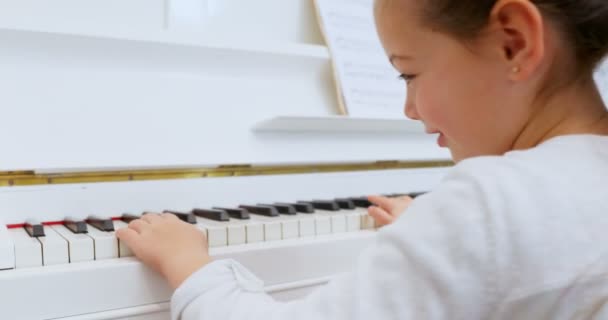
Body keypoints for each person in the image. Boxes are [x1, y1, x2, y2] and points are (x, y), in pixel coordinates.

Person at [116, 0, 608, 318]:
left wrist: (191, 265)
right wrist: (436, 244)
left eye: (408, 74)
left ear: (514, 41)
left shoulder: (487, 205)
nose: (408, 109)